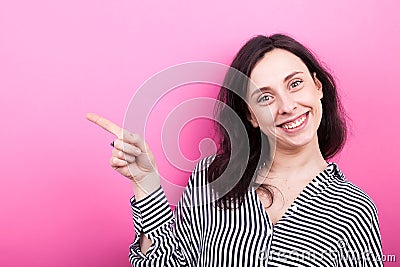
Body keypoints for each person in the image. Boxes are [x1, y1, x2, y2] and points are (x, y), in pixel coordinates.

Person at [87, 34, 383, 266]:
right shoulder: (212, 176)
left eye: (295, 84)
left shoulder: (355, 212)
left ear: (317, 86)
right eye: (265, 97)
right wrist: (146, 184)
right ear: (251, 115)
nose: (287, 106)